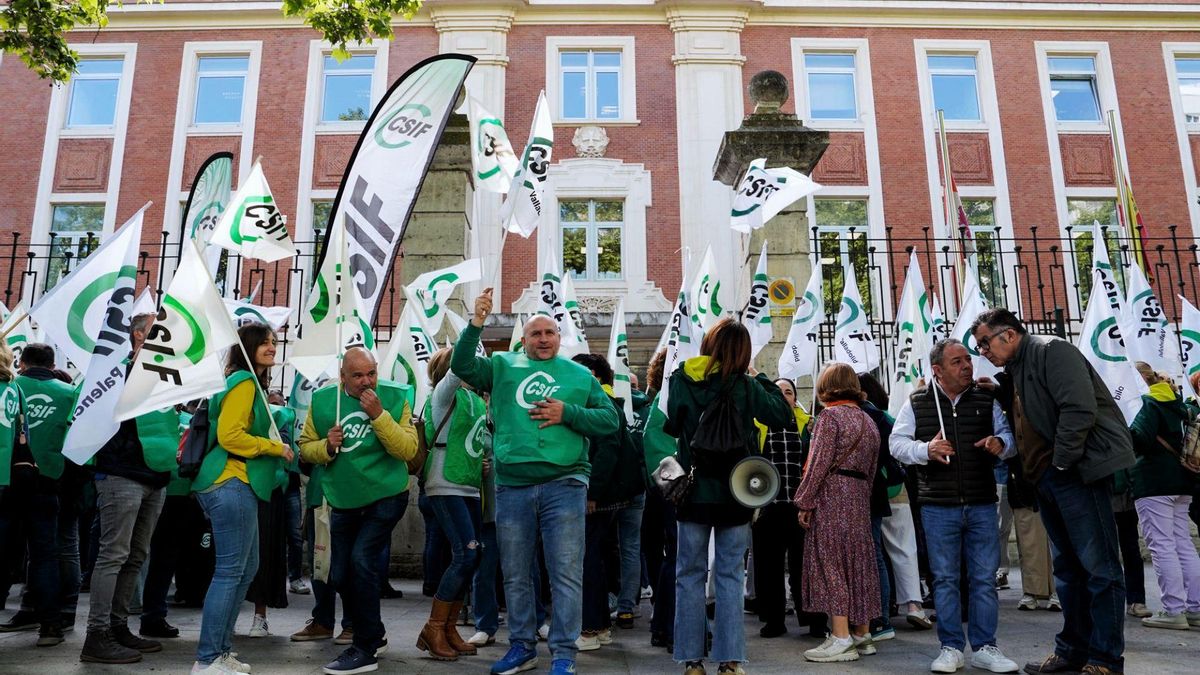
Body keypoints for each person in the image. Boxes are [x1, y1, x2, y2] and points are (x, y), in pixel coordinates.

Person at [452, 289, 620, 675]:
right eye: (535, 333)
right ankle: (522, 647)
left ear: (559, 339)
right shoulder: (500, 366)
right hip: (512, 484)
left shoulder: (580, 375)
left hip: (566, 483)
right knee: (515, 571)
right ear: (523, 340)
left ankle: (563, 653)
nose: (543, 338)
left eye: (549, 333)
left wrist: (569, 413)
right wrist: (476, 323)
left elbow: (611, 422)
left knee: (564, 572)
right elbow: (462, 365)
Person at [971, 309, 1134, 675]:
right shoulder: (1017, 368)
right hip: (1048, 479)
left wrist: (1060, 464)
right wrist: (1000, 393)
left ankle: (1105, 660)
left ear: (1010, 334)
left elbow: (1078, 409)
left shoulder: (1051, 350)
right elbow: (1033, 411)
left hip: (1075, 474)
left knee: (1100, 570)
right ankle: (1072, 653)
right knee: (1069, 571)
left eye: (985, 341)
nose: (982, 351)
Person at [663, 317, 792, 675]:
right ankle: (730, 660)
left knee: (688, 574)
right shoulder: (746, 386)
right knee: (730, 576)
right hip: (737, 491)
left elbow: (672, 422)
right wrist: (758, 376)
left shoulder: (682, 378)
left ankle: (691, 660)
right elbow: (783, 414)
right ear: (743, 352)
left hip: (694, 491)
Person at [890, 340, 1019, 674]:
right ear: (938, 370)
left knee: (983, 579)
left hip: (980, 502)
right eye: (957, 362)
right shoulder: (917, 402)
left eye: (968, 360)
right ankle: (950, 647)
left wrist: (1000, 443)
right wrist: (925, 449)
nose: (967, 366)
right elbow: (896, 444)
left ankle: (985, 646)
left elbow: (1010, 438)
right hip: (938, 505)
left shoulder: (985, 399)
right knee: (945, 579)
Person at [299, 346, 418, 675]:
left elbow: (407, 449)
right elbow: (306, 448)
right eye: (358, 376)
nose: (367, 382)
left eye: (372, 373)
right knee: (339, 573)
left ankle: (363, 646)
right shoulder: (324, 400)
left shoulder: (394, 397)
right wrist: (326, 446)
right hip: (343, 497)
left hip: (387, 494)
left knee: (362, 561)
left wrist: (380, 415)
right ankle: (374, 634)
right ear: (342, 377)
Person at [189, 323, 291, 674]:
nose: (272, 347)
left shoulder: (243, 382)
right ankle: (207, 659)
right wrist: (273, 447)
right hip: (230, 479)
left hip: (232, 482)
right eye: (263, 342)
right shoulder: (244, 382)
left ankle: (220, 651)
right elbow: (230, 435)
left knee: (244, 569)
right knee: (231, 571)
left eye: (274, 342)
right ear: (246, 347)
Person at [80, 313, 176, 665]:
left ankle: (118, 627)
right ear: (137, 335)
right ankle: (96, 635)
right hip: (121, 473)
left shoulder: (165, 374)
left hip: (155, 476)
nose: (166, 338)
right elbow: (93, 409)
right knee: (114, 555)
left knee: (136, 556)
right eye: (157, 332)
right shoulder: (113, 370)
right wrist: (132, 366)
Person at [793, 363, 880, 663]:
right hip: (858, 497)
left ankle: (840, 637)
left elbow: (817, 463)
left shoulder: (829, 418)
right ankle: (862, 634)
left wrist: (804, 500)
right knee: (858, 562)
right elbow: (872, 470)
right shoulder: (868, 421)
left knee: (830, 562)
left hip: (832, 494)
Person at [416, 347, 488, 661]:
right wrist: (475, 326)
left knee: (473, 555)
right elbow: (459, 367)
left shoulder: (474, 401)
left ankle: (447, 628)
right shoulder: (444, 395)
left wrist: (482, 460)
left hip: (469, 486)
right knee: (466, 554)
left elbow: (477, 439)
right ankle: (433, 628)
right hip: (444, 483)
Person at [2, 344, 74, 647]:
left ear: (24, 362)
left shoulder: (17, 387)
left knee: (6, 555)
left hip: (7, 483)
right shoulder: (67, 392)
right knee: (47, 554)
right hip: (42, 480)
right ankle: (51, 624)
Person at [572, 352, 644, 652]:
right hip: (608, 494)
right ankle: (599, 625)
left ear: (593, 376)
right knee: (596, 558)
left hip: (600, 496)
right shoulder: (606, 400)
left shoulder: (599, 403)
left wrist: (593, 493)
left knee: (589, 559)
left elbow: (605, 452)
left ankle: (590, 628)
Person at [1127, 363, 1200, 630]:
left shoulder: (1150, 404)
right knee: (1182, 543)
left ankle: (1173, 610)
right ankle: (1196, 608)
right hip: (1182, 480)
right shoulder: (1183, 406)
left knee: (1161, 545)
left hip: (1154, 482)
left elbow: (1139, 440)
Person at [751, 377, 818, 639]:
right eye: (778, 392)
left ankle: (812, 618)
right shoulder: (758, 424)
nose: (783, 396)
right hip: (767, 507)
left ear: (795, 398)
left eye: (788, 392)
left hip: (800, 507)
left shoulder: (807, 425)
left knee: (806, 567)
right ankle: (774, 620)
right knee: (768, 568)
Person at [640, 349, 678, 652]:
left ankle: (664, 625)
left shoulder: (663, 398)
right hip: (674, 489)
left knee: (676, 557)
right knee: (679, 556)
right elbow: (656, 446)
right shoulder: (666, 399)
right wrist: (680, 485)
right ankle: (668, 626)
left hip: (667, 488)